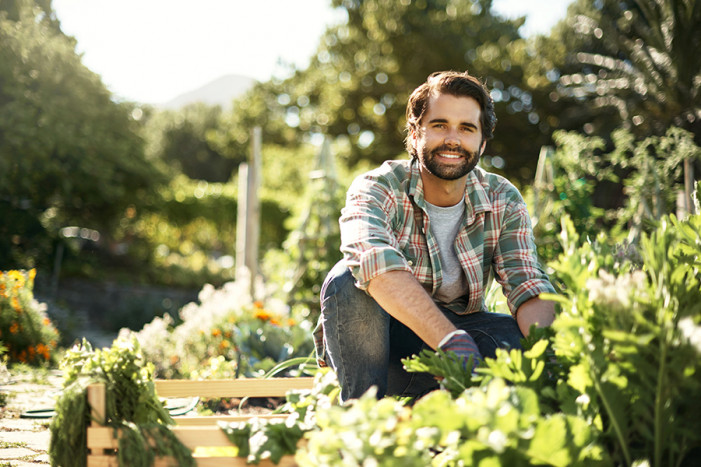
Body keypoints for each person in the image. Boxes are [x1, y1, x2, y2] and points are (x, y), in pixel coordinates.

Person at [314, 70, 556, 402]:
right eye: (439, 125)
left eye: (467, 128)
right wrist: (449, 339)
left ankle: (460, 403)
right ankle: (361, 414)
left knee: (515, 338)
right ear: (414, 135)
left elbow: (527, 283)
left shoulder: (502, 197)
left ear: (482, 142)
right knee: (346, 280)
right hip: (386, 357)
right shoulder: (378, 187)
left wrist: (553, 356)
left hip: (464, 348)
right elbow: (373, 262)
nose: (453, 140)